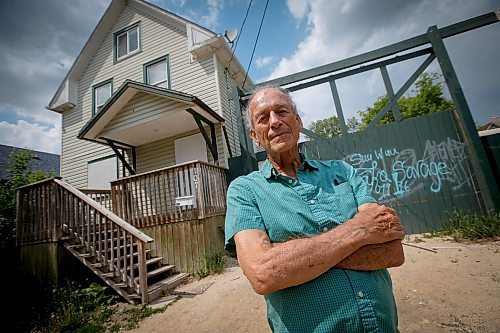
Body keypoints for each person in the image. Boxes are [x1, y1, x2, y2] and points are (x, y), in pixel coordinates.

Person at [224, 86, 405, 333]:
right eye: (263, 118)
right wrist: (360, 230)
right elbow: (263, 273)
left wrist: (291, 259)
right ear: (255, 136)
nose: (275, 122)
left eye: (282, 112)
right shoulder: (244, 190)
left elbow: (392, 251)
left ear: (297, 121)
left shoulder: (342, 171)